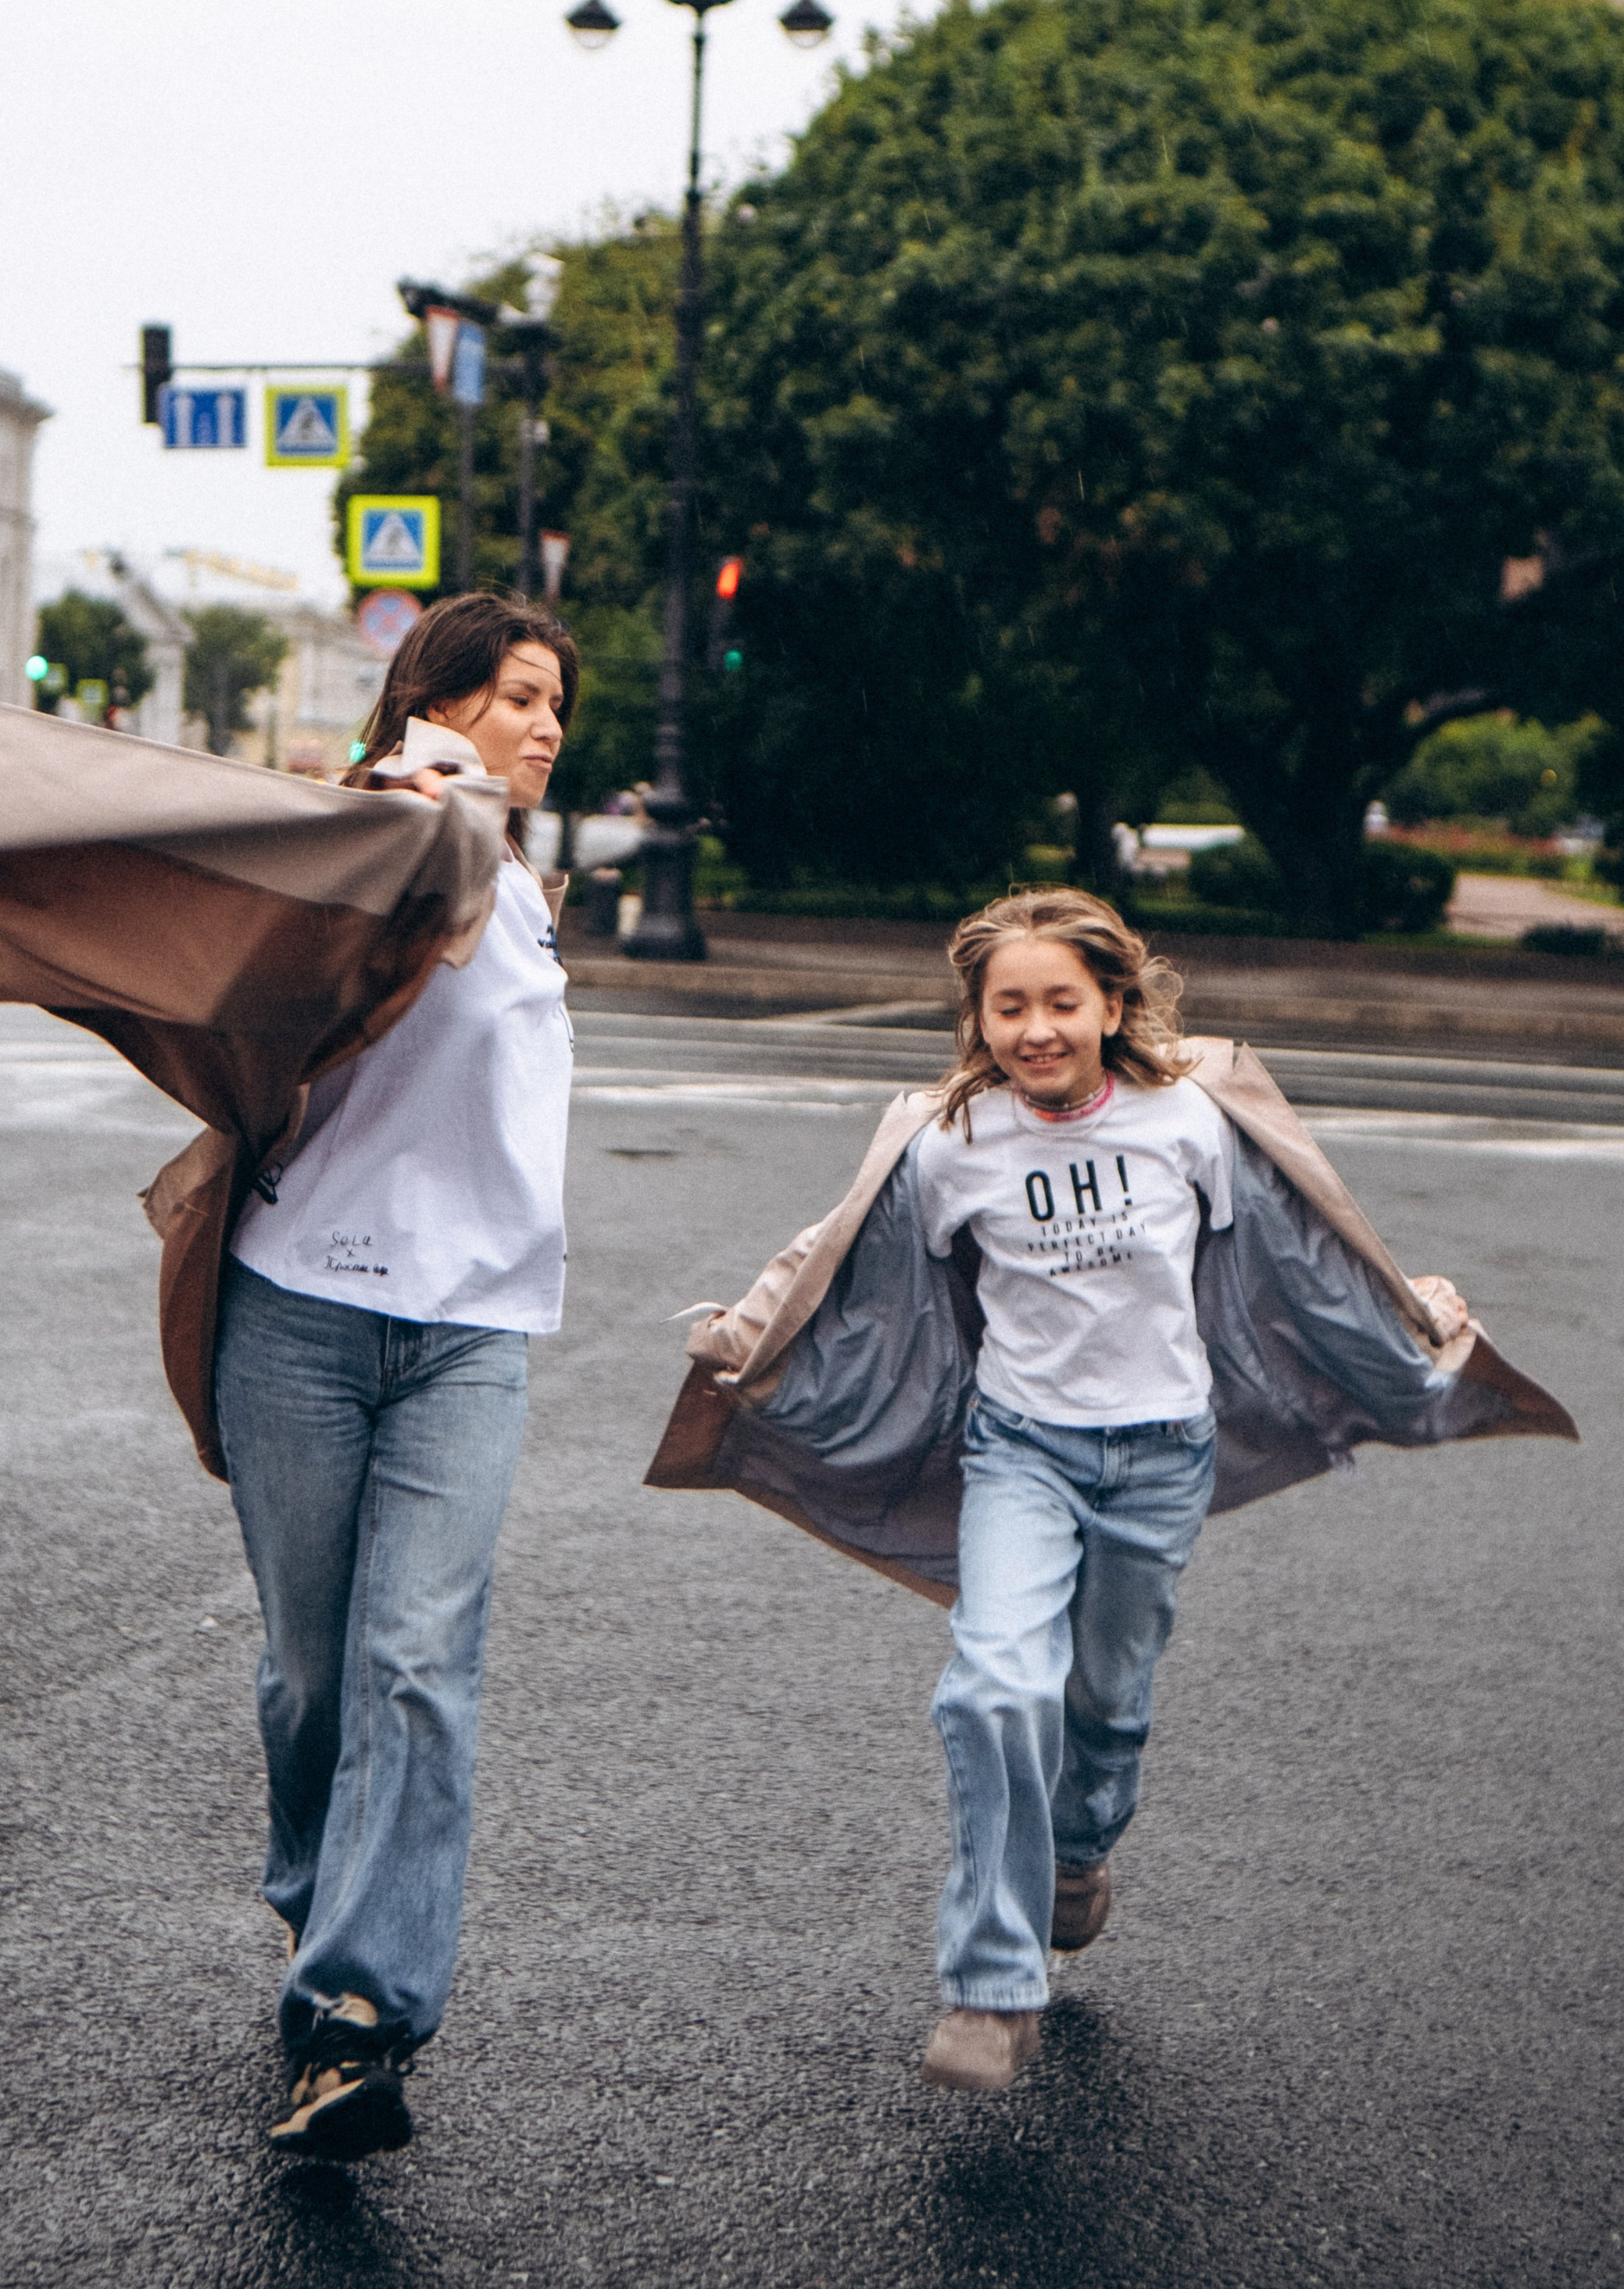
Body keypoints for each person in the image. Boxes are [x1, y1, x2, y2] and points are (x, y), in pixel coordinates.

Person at [646, 887, 1568, 2098]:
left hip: (1160, 1456)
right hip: (1019, 1453)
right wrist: (749, 1333)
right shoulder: (949, 1143)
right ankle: (990, 1982)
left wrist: (1405, 1310)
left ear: (1113, 1005)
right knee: (990, 1688)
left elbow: (1289, 1244)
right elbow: (849, 1253)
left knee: (1109, 1705)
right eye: (1008, 1006)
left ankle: (1077, 1852)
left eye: (1061, 1003)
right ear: (978, 1019)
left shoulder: (1186, 1119)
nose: (1036, 1029)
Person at [212, 593, 575, 2160]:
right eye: (513, 695)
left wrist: (472, 816)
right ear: (433, 704)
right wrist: (404, 790)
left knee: (415, 1660)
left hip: (471, 1326)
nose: (546, 725)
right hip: (297, 1308)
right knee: (311, 1675)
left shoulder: (521, 876)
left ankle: (358, 2008)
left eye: (558, 701)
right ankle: (318, 1908)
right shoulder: (381, 832)